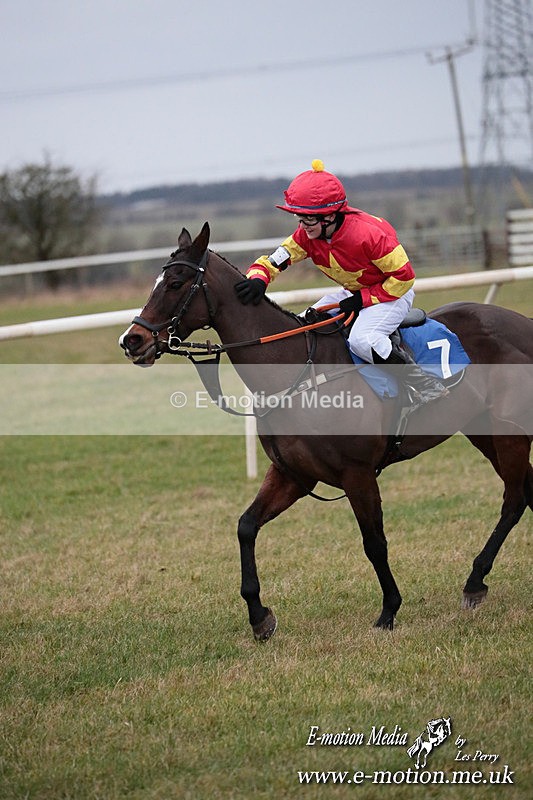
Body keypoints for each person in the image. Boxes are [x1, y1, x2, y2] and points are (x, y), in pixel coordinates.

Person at [234, 159, 448, 408]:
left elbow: (404, 278)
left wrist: (363, 300)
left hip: (393, 293)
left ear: (330, 216)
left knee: (363, 340)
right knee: (303, 325)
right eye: (299, 219)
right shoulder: (308, 234)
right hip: (355, 292)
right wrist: (258, 279)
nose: (302, 227)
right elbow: (273, 261)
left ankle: (422, 384)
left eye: (308, 220)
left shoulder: (369, 234)